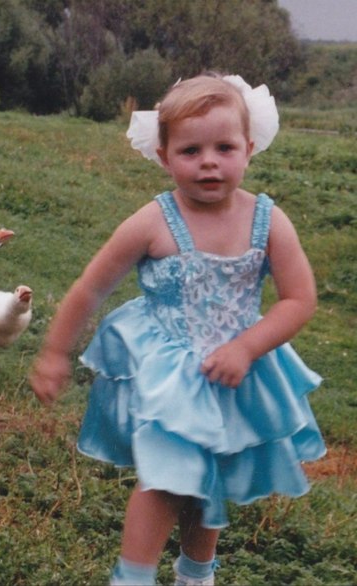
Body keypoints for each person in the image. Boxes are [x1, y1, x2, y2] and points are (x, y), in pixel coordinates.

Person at [29, 73, 326, 586]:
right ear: (165, 157)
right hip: (169, 372)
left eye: (224, 147)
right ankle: (133, 577)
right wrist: (56, 353)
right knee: (166, 479)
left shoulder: (268, 220)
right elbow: (89, 289)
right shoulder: (152, 221)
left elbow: (300, 300)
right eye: (190, 150)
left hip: (237, 367)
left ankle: (196, 572)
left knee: (214, 470)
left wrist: (247, 347)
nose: (209, 161)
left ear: (249, 149)